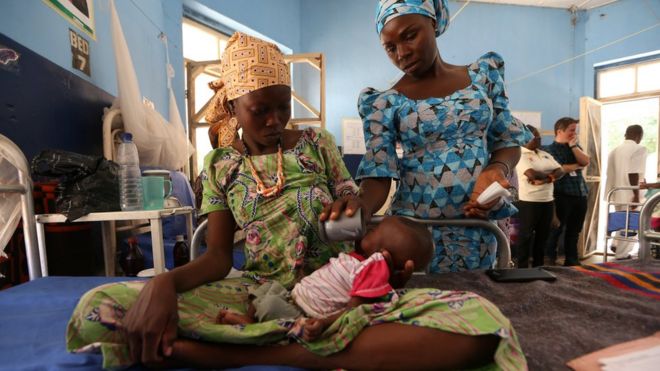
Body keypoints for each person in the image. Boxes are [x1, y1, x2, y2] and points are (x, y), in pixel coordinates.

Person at [67, 31, 525, 370]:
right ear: (232, 109)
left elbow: (354, 203)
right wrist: (162, 284)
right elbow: (218, 258)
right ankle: (313, 345)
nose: (274, 120)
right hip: (258, 294)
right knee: (100, 308)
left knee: (483, 323)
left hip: (344, 291)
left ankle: (266, 351)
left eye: (283, 106)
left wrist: (356, 217)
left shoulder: (317, 143)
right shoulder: (221, 164)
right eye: (259, 110)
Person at [321, 0, 532, 273]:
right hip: (413, 234)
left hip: (476, 227)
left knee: (474, 301)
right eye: (390, 47)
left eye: (410, 36)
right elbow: (379, 172)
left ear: (433, 23)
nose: (402, 53)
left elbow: (506, 140)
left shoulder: (483, 77)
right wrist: (361, 206)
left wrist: (496, 169)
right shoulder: (383, 103)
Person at [216, 216, 434, 342]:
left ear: (382, 252)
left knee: (272, 306)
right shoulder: (359, 260)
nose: (370, 229)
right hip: (295, 297)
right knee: (268, 288)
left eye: (376, 231)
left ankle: (254, 329)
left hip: (305, 314)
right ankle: (250, 318)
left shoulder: (373, 268)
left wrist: (323, 324)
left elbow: (354, 310)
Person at [514, 125, 564, 267]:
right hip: (528, 202)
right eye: (536, 137)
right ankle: (522, 268)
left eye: (539, 136)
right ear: (526, 138)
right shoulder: (519, 154)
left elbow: (560, 171)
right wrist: (551, 174)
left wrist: (546, 179)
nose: (539, 139)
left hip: (547, 201)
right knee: (526, 236)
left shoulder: (545, 154)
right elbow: (531, 174)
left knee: (543, 237)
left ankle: (538, 266)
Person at [543, 117, 590, 266]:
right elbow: (560, 169)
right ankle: (550, 260)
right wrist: (575, 165)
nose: (574, 133)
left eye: (575, 130)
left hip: (580, 193)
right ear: (559, 131)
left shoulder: (575, 147)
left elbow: (586, 161)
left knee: (575, 230)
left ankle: (572, 260)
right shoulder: (548, 150)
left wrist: (574, 147)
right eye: (571, 130)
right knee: (556, 229)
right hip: (560, 194)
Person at [605, 125, 647, 259]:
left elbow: (609, 173)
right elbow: (633, 173)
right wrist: (635, 195)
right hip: (630, 192)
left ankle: (616, 245)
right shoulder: (639, 149)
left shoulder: (614, 150)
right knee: (631, 224)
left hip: (615, 192)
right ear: (638, 135)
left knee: (621, 220)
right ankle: (622, 255)